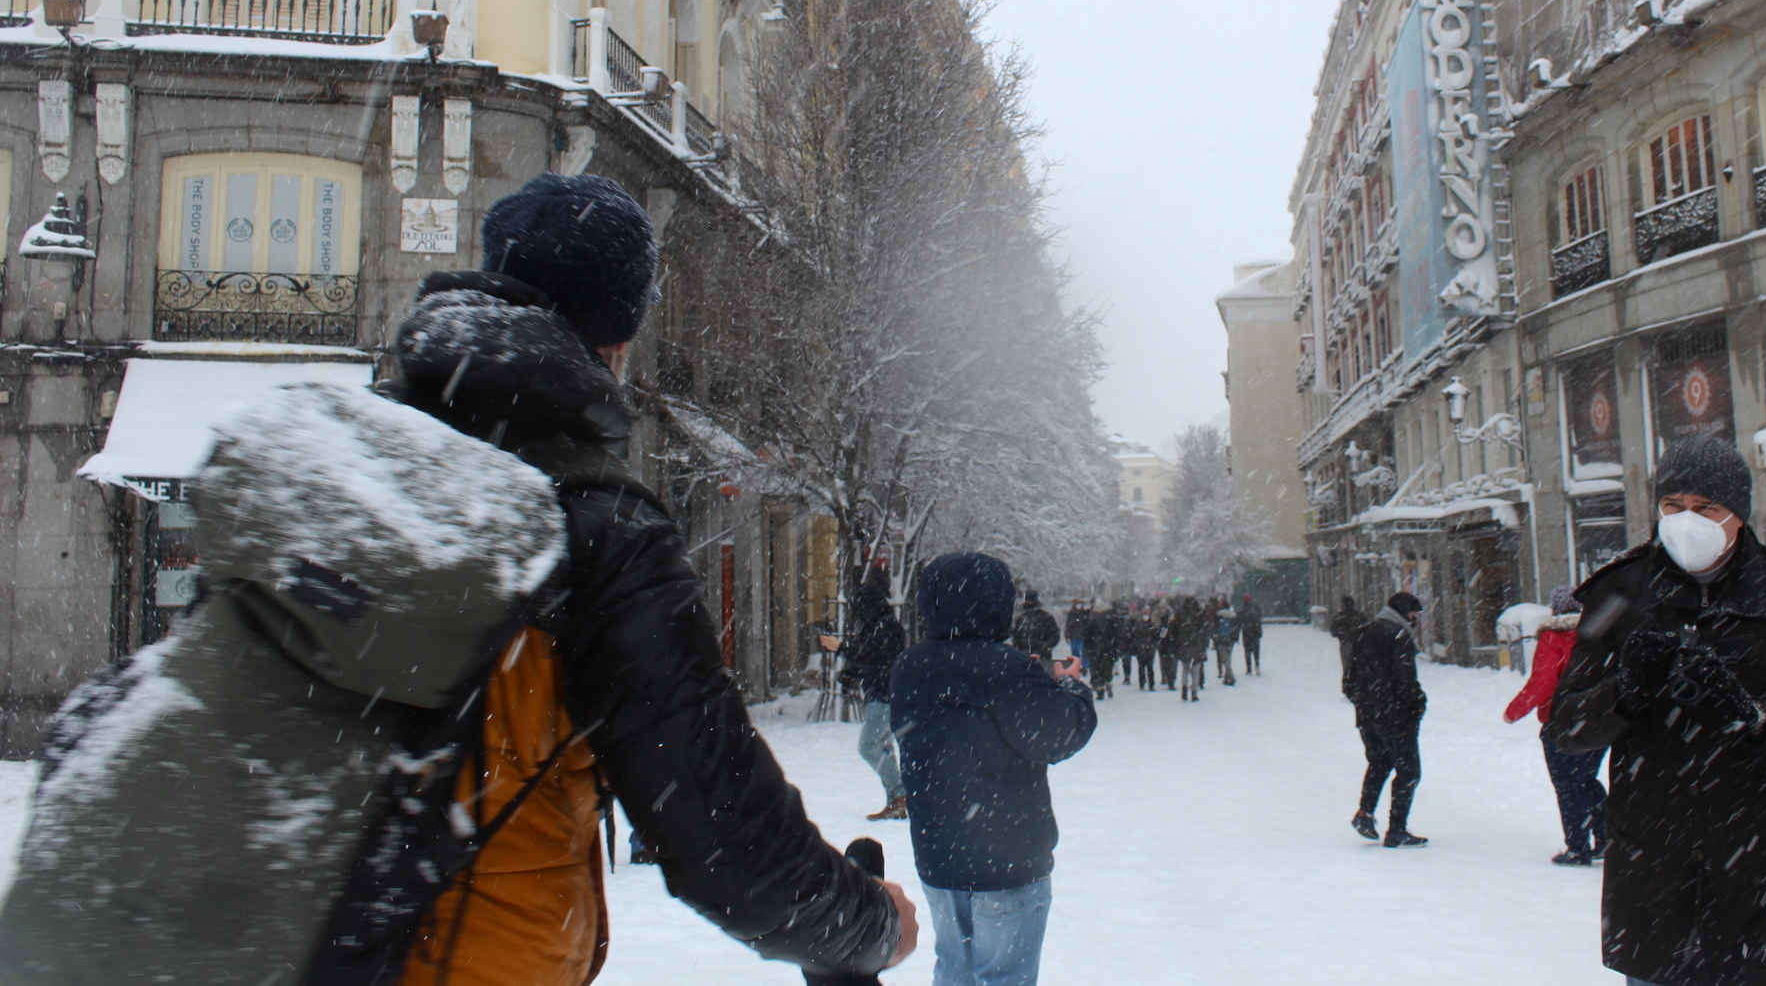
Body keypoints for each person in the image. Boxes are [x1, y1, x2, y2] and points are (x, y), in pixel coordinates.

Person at [0, 174, 916, 984]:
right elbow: (728, 844)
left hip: (256, 942)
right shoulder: (598, 527)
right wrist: (872, 924)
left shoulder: (346, 468)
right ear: (620, 338)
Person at [1550, 435, 1766, 986]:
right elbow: (1567, 730)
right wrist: (1624, 693)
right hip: (1655, 880)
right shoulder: (1619, 592)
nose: (1685, 521)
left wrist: (1755, 717)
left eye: (1706, 509)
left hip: (1763, 880)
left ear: (1739, 517)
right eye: (1672, 506)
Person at [891, 551, 1098, 986]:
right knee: (1004, 977)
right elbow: (1059, 735)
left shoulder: (909, 668)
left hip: (939, 855)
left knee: (953, 972)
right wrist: (1071, 686)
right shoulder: (1007, 669)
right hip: (1006, 859)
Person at [1504, 586, 1605, 866]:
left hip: (1564, 723)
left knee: (1568, 786)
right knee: (1586, 779)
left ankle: (1577, 848)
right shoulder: (1598, 634)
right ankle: (1605, 837)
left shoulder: (1554, 637)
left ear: (1555, 609)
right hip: (1598, 720)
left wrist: (1514, 711)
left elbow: (1544, 684)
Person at [1344, 590, 1428, 848]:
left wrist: (1368, 702)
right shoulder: (1399, 637)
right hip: (1395, 719)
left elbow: (1349, 683)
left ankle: (1364, 814)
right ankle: (1397, 830)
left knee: (1379, 763)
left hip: (1369, 718)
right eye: (1413, 614)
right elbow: (1406, 681)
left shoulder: (1363, 633)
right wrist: (1418, 703)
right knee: (1409, 771)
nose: (1415, 619)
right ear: (1404, 613)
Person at [822, 580, 909, 820]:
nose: (856, 614)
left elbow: (871, 656)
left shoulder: (887, 628)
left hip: (884, 696)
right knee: (883, 748)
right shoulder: (877, 626)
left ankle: (901, 795)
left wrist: (840, 648)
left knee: (868, 747)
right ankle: (896, 803)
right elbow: (871, 658)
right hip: (881, 695)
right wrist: (850, 674)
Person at [1012, 589, 1062, 672]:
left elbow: (1055, 635)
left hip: (1042, 658)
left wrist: (1045, 647)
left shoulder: (1045, 618)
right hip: (1023, 657)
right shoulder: (1020, 619)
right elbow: (1015, 637)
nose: (1029, 603)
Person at [1330, 594, 1366, 693]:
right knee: (1357, 667)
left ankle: (1350, 688)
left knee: (1348, 667)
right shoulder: (1358, 615)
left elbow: (1334, 631)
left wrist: (1345, 634)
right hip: (1356, 643)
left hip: (1348, 644)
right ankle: (1357, 687)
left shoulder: (1340, 617)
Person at [1212, 600, 1239, 686]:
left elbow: (1214, 628)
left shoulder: (1218, 615)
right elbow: (1236, 628)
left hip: (1221, 640)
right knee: (1228, 659)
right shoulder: (1233, 616)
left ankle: (1231, 677)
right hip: (1230, 640)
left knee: (1224, 660)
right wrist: (1234, 638)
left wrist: (1215, 638)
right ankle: (1227, 678)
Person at [1132, 606, 1158, 691]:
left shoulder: (1152, 624)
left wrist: (1154, 644)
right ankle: (1142, 683)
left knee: (1150, 667)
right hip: (1141, 649)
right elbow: (1134, 636)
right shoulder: (1138, 624)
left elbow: (1157, 635)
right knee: (1141, 667)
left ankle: (1151, 684)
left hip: (1149, 649)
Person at [1238, 594, 1264, 675]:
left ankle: (1249, 668)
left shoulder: (1241, 610)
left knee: (1247, 651)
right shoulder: (1256, 608)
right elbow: (1259, 619)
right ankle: (1257, 665)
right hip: (1255, 632)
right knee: (1256, 650)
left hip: (1246, 633)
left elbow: (1239, 622)